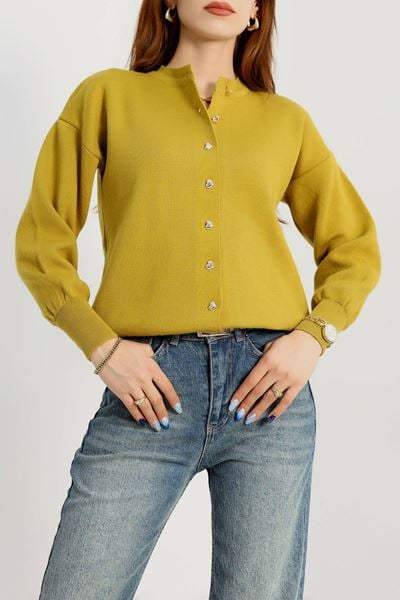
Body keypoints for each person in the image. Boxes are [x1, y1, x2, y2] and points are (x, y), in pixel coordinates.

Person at [15, 1, 381, 598]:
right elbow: (42, 242)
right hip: (147, 389)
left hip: (268, 395)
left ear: (257, 13)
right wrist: (103, 347)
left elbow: (355, 247)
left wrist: (314, 338)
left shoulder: (286, 122)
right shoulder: (105, 98)